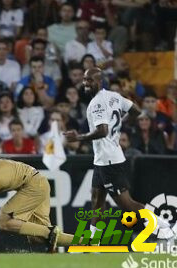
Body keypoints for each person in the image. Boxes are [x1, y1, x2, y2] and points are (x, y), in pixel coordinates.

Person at [64, 68, 170, 241]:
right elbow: (135, 110)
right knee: (97, 201)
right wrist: (120, 122)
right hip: (103, 159)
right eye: (84, 80)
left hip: (109, 160)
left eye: (89, 80)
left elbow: (103, 131)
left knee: (127, 204)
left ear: (99, 81)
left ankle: (163, 226)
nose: (85, 83)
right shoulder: (114, 96)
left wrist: (79, 137)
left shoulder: (97, 103)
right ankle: (92, 242)